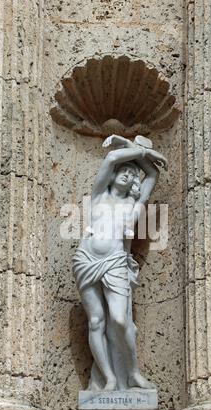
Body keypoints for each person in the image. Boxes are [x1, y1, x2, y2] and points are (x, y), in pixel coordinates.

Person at [72, 134, 168, 391]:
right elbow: (112, 157)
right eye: (123, 171)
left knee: (120, 320)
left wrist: (139, 153)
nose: (127, 174)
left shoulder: (134, 205)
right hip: (86, 259)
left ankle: (133, 374)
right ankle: (109, 378)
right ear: (113, 176)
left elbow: (152, 176)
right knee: (95, 321)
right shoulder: (99, 196)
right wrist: (137, 149)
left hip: (114, 261)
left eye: (131, 173)